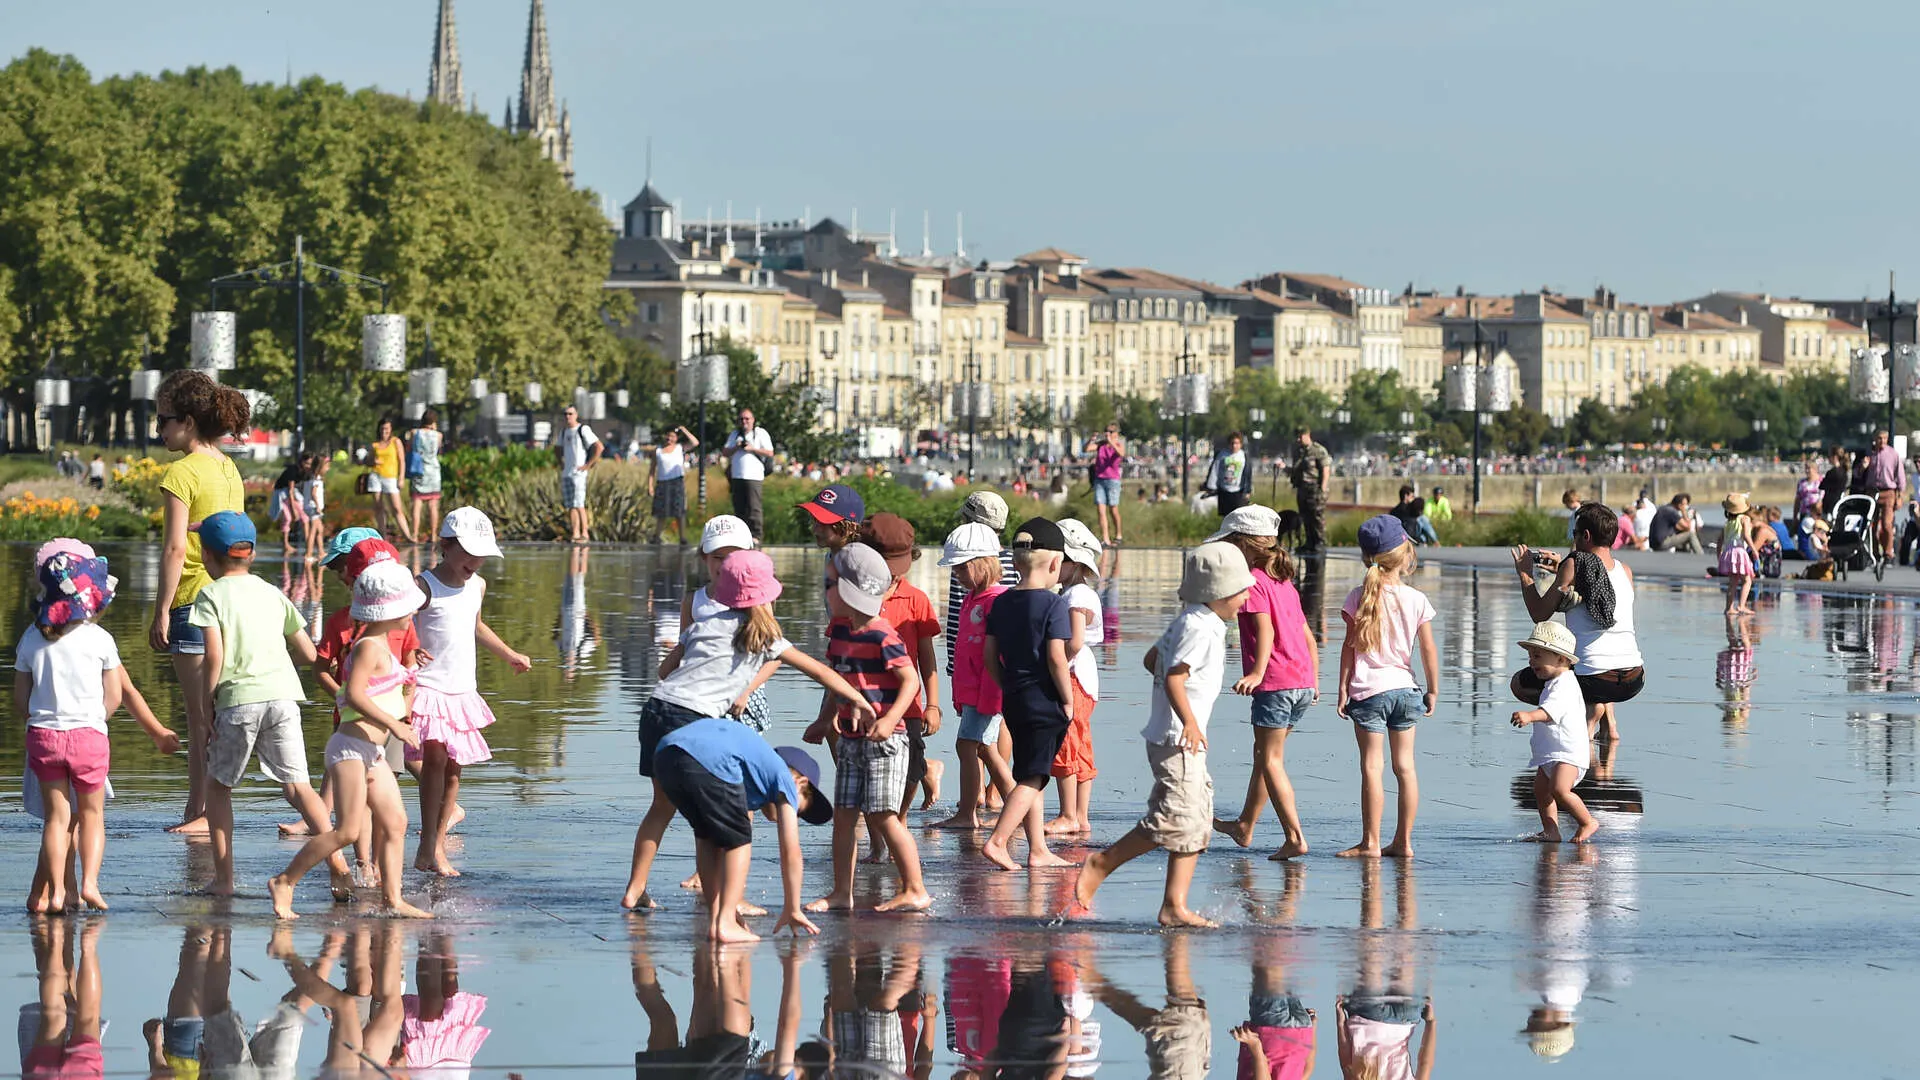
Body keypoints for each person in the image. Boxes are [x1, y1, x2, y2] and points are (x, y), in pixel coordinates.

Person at [621, 550, 876, 911]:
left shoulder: (702, 625)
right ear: (767, 597)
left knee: (663, 806)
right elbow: (820, 672)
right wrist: (860, 701)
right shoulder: (767, 638)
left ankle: (636, 889)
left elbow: (664, 671)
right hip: (693, 722)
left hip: (655, 711)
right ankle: (729, 903)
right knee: (714, 820)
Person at [1069, 542, 1252, 928]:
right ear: (1217, 592)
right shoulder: (1199, 628)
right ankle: (1102, 863)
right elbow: (1172, 675)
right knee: (1172, 818)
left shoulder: (1193, 621)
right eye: (1241, 590)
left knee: (1197, 820)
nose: (1246, 597)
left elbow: (1153, 659)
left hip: (1183, 738)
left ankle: (1174, 905)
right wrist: (1187, 719)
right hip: (1177, 739)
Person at [188, 512, 347, 899]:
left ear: (206, 556)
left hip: (238, 700)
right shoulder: (272, 592)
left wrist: (205, 705)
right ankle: (339, 865)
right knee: (299, 787)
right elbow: (310, 652)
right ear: (252, 554)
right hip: (283, 697)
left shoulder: (209, 594)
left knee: (218, 786)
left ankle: (224, 880)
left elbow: (214, 657)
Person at [268, 562, 433, 920]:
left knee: (395, 822)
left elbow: (384, 692)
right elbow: (353, 695)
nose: (413, 616)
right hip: (348, 750)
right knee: (347, 830)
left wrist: (408, 690)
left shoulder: (383, 648)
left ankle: (393, 898)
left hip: (370, 752)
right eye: (409, 609)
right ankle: (285, 881)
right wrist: (396, 724)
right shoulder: (368, 647)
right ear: (390, 611)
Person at [802, 543, 932, 912]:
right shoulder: (840, 632)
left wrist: (891, 720)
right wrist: (825, 720)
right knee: (844, 814)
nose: (825, 592)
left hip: (886, 741)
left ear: (848, 590)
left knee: (882, 815)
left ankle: (915, 888)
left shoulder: (882, 634)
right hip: (850, 739)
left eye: (830, 585)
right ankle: (842, 891)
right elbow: (838, 681)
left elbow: (910, 681)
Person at [148, 369, 250, 835]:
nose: (160, 430)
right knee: (217, 712)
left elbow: (173, 549)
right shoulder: (228, 467)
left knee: (198, 718)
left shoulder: (181, 472)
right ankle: (203, 810)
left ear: (188, 420)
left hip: (190, 602)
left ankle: (200, 813)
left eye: (164, 420)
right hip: (229, 602)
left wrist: (160, 611)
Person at [411, 508, 531, 877]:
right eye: (468, 553)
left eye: (481, 555)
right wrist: (409, 650)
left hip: (462, 688)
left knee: (453, 771)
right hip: (429, 686)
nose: (475, 562)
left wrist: (509, 653)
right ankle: (429, 847)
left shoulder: (477, 586)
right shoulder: (424, 586)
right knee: (432, 762)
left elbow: (476, 626)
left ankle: (436, 842)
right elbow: (401, 627)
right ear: (446, 546)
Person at [651, 720, 830, 942]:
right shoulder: (784, 777)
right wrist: (793, 908)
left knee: (706, 836)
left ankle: (719, 916)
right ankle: (724, 924)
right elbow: (791, 851)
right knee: (740, 840)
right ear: (801, 782)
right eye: (797, 809)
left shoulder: (750, 771)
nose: (792, 814)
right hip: (708, 758)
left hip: (665, 755)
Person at [17, 553, 124, 913]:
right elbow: (115, 696)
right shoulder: (100, 639)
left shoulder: (31, 638)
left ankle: (59, 893)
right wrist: (95, 720)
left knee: (56, 819)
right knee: (91, 815)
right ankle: (90, 884)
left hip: (44, 736)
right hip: (88, 736)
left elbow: (21, 699)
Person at [1209, 506, 1317, 862]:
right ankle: (1245, 825)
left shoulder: (1253, 581)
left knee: (1271, 760)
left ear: (1242, 544)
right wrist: (1313, 680)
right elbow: (1307, 635)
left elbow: (1265, 630)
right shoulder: (1284, 581)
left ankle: (1295, 836)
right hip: (1300, 681)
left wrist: (1256, 672)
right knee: (1264, 756)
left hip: (1275, 682)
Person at [978, 519, 1077, 872]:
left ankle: (1038, 849)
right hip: (1044, 701)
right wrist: (1067, 699)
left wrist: (1007, 686)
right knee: (1033, 778)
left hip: (1015, 700)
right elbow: (1056, 658)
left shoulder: (1002, 603)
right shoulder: (1054, 604)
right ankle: (998, 841)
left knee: (1029, 774)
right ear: (1055, 564)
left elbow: (989, 656)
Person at [1336, 516, 1436, 859]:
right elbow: (1427, 649)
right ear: (1405, 553)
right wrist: (1433, 689)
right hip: (1407, 691)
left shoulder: (1357, 596)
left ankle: (1371, 842)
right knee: (1405, 768)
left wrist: (1342, 690)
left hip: (1368, 692)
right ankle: (1404, 843)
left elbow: (1349, 648)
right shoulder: (1416, 599)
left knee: (1372, 767)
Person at [1510, 503, 1645, 743]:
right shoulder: (1626, 571)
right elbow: (1594, 580)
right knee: (1603, 655)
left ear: (1586, 536)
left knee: (1519, 684)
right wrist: (1561, 569)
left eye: (1574, 534)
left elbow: (1538, 614)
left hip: (1595, 680)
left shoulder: (1574, 565)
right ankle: (1609, 726)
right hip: (1634, 677)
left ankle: (1589, 711)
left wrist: (1525, 574)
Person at [929, 522, 1018, 831]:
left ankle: (969, 813)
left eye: (961, 568)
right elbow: (965, 651)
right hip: (972, 691)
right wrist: (960, 695)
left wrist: (991, 697)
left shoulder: (997, 601)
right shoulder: (972, 598)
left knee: (968, 746)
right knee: (983, 750)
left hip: (988, 692)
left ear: (982, 565)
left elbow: (1000, 657)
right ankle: (1016, 808)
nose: (956, 575)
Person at [859, 513, 944, 832]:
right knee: (870, 767)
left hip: (907, 704)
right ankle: (880, 830)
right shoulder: (852, 599)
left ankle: (901, 816)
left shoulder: (916, 599)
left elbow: (926, 656)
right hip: (865, 702)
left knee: (910, 769)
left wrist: (933, 705)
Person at [1508, 622, 1598, 844]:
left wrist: (1529, 716)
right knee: (1541, 790)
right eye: (1530, 656)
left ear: (1561, 659)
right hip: (1552, 753)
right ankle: (1551, 830)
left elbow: (1550, 712)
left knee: (1559, 790)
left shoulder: (1564, 685)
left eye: (1537, 656)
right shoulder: (1554, 683)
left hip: (1567, 753)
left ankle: (1587, 821)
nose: (1531, 662)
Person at [1047, 519, 1104, 836]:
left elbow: (1075, 641)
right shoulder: (1075, 592)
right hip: (1083, 676)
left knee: (1066, 741)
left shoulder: (1076, 595)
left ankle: (1068, 813)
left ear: (1072, 562)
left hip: (1072, 676)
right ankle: (1080, 816)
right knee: (1079, 742)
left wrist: (1054, 663)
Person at [553, 404, 603, 544]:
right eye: (566, 414)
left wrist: (588, 464)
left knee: (579, 503)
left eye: (570, 414)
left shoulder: (583, 429)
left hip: (579, 473)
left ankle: (584, 533)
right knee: (570, 505)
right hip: (567, 472)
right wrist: (561, 462)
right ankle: (575, 533)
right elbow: (557, 448)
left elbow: (599, 446)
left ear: (576, 415)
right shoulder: (564, 432)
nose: (568, 417)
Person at [724, 408, 775, 541]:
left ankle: (756, 535)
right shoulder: (735, 434)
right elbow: (725, 452)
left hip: (754, 476)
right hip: (737, 476)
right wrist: (737, 447)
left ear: (753, 420)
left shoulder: (760, 433)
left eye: (747, 419)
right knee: (739, 507)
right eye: (742, 419)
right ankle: (741, 535)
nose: (744, 421)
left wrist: (752, 448)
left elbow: (770, 452)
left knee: (754, 507)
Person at [647, 425, 698, 544]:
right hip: (662, 482)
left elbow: (695, 442)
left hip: (676, 482)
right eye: (667, 436)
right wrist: (650, 485)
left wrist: (684, 430)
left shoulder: (680, 448)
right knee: (661, 512)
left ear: (676, 438)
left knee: (679, 511)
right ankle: (657, 536)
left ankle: (682, 537)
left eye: (672, 436)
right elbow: (652, 469)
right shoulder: (658, 451)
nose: (669, 438)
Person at [369, 417, 414, 543]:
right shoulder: (375, 444)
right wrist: (373, 461)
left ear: (391, 429)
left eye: (387, 429)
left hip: (390, 477)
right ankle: (382, 535)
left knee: (396, 507)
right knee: (378, 506)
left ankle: (407, 535)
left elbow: (401, 460)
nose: (384, 431)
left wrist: (401, 477)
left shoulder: (395, 442)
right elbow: (368, 460)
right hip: (376, 475)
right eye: (382, 428)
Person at [1287, 427, 1332, 554]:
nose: (1298, 440)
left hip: (1315, 489)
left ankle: (1320, 543)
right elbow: (1295, 470)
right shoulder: (1299, 452)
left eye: (1300, 437)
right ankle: (1309, 543)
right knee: (1305, 517)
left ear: (1307, 435)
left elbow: (1325, 470)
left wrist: (1322, 489)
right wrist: (1284, 468)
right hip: (1302, 489)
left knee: (1317, 518)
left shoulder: (1318, 450)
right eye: (1297, 437)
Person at [1867, 429, 1905, 564]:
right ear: (1875, 439)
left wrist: (1899, 496)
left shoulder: (1893, 454)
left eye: (1884, 438)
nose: (1881, 441)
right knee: (1871, 524)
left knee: (1887, 524)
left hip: (1888, 492)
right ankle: (1875, 552)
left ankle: (1888, 552)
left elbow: (1900, 476)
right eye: (1879, 438)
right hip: (1873, 491)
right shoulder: (1870, 454)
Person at [408, 409, 444, 546]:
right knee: (433, 504)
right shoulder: (438, 435)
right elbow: (438, 449)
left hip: (419, 470)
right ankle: (434, 534)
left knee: (417, 503)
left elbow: (410, 448)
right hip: (434, 471)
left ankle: (415, 534)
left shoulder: (414, 433)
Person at [1086, 424, 1126, 546]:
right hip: (1100, 479)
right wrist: (1091, 439)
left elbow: (1121, 454)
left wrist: (1111, 442)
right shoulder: (1101, 445)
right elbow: (1086, 449)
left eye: (1111, 431)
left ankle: (1118, 535)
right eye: (1106, 431)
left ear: (1116, 434)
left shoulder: (1118, 445)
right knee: (1100, 509)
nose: (1107, 433)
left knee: (1113, 509)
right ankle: (1105, 538)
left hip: (1113, 480)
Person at [1717, 495, 1756, 614]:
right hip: (1739, 551)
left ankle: (1729, 608)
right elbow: (1747, 536)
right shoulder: (1745, 519)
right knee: (1747, 580)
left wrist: (1719, 556)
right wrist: (1754, 550)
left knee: (1733, 581)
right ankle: (1742, 605)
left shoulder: (1727, 523)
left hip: (1728, 552)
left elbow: (1719, 542)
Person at [1205, 432, 1254, 517]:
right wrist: (1211, 486)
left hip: (1239, 491)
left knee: (1239, 517)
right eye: (1232, 443)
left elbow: (1248, 475)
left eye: (1237, 443)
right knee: (1226, 517)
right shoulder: (1222, 455)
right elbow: (1215, 470)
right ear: (1229, 444)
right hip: (1224, 490)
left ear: (1241, 444)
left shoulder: (1244, 456)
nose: (1234, 446)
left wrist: (1247, 491)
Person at [270, 455, 310, 556]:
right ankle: (285, 544)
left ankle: (308, 543)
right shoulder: (293, 470)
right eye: (307, 463)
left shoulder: (305, 472)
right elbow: (291, 491)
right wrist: (294, 510)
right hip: (282, 494)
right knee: (287, 518)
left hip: (291, 494)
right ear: (302, 462)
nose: (309, 466)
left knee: (305, 518)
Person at [1819, 444, 1851, 518]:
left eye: (1829, 456)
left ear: (1835, 457)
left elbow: (1822, 486)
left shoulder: (1831, 472)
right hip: (1838, 504)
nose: (1828, 458)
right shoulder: (1844, 471)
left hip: (1829, 505)